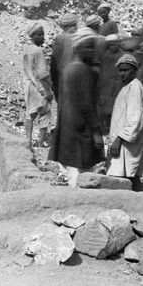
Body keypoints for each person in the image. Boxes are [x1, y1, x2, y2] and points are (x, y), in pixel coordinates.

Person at [48, 28, 103, 187]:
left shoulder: (68, 69)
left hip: (68, 130)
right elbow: (87, 105)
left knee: (73, 173)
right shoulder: (83, 71)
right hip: (81, 131)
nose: (91, 51)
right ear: (77, 48)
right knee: (82, 176)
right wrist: (96, 133)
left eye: (93, 47)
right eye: (88, 47)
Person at [106, 54, 143, 191]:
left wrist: (119, 139)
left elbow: (135, 117)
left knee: (127, 175)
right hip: (122, 141)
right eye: (120, 70)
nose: (122, 74)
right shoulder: (126, 87)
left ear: (134, 71)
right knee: (127, 175)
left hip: (126, 142)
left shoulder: (135, 87)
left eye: (126, 70)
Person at [22, 23, 53, 150]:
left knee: (30, 112)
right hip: (39, 85)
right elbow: (43, 74)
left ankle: (28, 141)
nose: (43, 38)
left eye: (43, 35)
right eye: (40, 35)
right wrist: (49, 87)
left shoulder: (27, 49)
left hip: (28, 84)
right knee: (45, 112)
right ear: (33, 36)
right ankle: (40, 142)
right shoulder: (38, 50)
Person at [49, 13, 79, 101]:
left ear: (63, 26)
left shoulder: (60, 38)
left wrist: (53, 82)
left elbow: (54, 63)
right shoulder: (82, 37)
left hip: (63, 81)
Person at [97, 34, 123, 135]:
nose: (113, 46)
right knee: (106, 107)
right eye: (111, 44)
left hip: (118, 83)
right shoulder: (105, 55)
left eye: (115, 44)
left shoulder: (121, 55)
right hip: (106, 84)